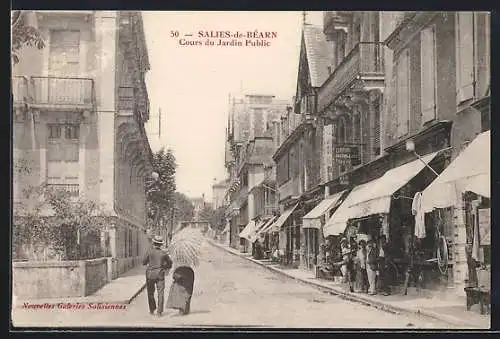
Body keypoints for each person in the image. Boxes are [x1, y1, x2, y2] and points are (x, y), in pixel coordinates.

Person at [143, 235, 173, 317]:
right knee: (161, 293)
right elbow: (170, 264)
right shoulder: (164, 253)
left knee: (150, 293)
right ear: (160, 244)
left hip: (150, 275)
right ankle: (159, 312)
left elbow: (143, 262)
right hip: (160, 274)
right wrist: (164, 267)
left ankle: (152, 309)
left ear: (153, 243)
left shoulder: (149, 251)